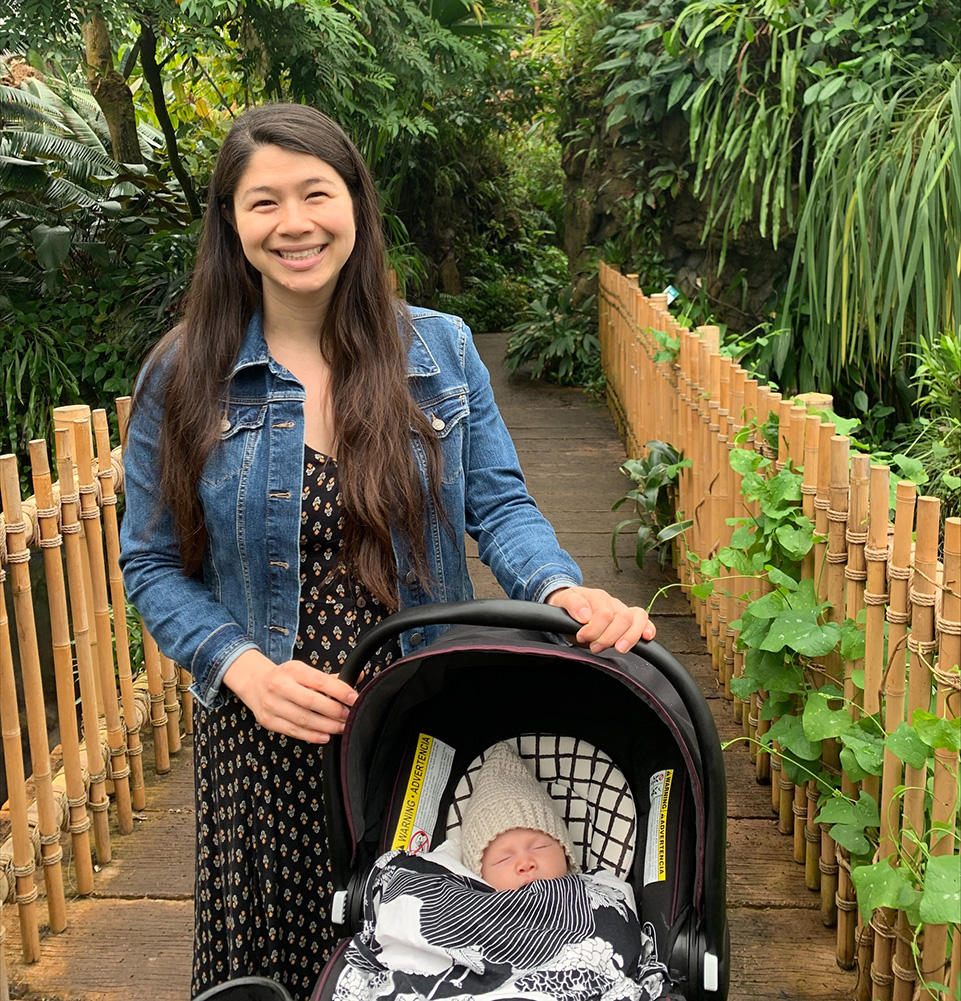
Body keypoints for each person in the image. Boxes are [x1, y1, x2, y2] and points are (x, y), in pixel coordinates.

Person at [119, 102, 656, 1001]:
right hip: (271, 737)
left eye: (315, 193)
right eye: (263, 202)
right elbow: (151, 563)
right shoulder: (181, 375)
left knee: (420, 959)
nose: (293, 223)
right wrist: (241, 667)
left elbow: (497, 504)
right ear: (230, 223)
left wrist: (561, 587)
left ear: (356, 204)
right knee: (279, 968)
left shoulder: (438, 350)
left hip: (422, 722)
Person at [329, 741, 670, 998]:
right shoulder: (455, 893)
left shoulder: (596, 891)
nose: (526, 862)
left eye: (541, 846)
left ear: (567, 854)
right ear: (477, 872)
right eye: (504, 859)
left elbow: (617, 926)